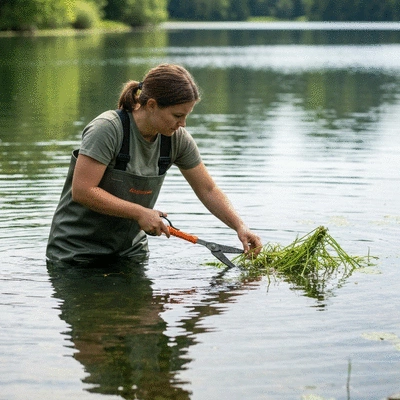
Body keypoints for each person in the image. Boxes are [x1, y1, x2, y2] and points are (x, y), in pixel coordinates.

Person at [46, 63, 261, 264]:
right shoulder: (107, 129)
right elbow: (83, 191)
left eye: (186, 116)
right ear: (151, 105)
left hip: (130, 253)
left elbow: (208, 189)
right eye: (177, 115)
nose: (183, 124)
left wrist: (239, 226)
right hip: (76, 255)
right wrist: (140, 212)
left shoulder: (177, 138)